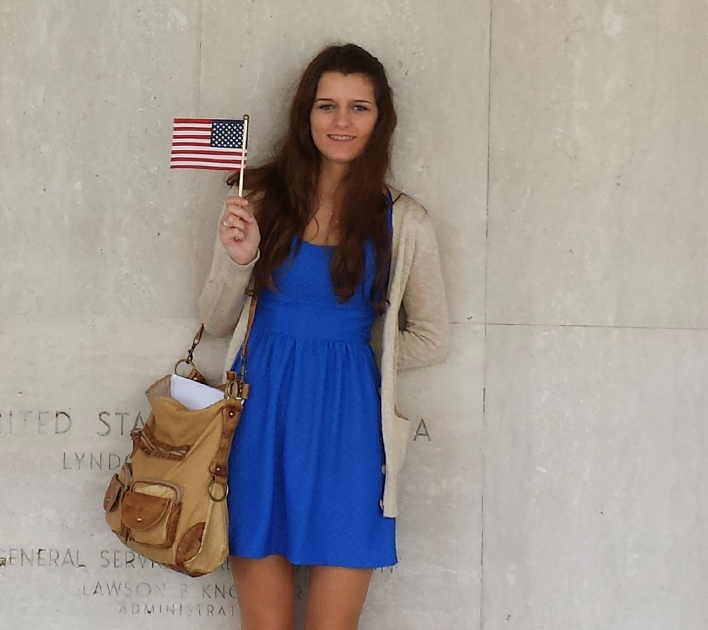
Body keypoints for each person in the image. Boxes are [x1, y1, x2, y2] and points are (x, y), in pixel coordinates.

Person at [197, 42, 451, 630]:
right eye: (326, 105)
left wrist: (358, 363)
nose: (341, 122)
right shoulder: (258, 201)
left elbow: (433, 337)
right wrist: (239, 260)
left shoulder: (404, 220)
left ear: (380, 118)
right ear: (305, 114)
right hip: (260, 420)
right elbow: (214, 319)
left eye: (358, 108)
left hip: (349, 430)